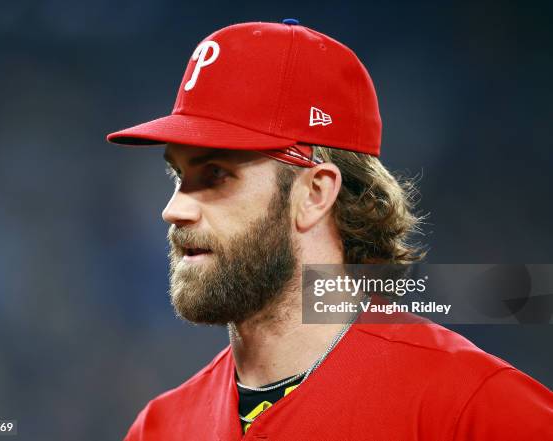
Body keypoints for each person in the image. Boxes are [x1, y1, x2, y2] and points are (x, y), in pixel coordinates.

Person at [107, 20, 553, 440]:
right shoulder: (161, 427)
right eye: (177, 177)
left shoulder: (473, 407)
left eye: (216, 175)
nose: (173, 209)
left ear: (316, 193)